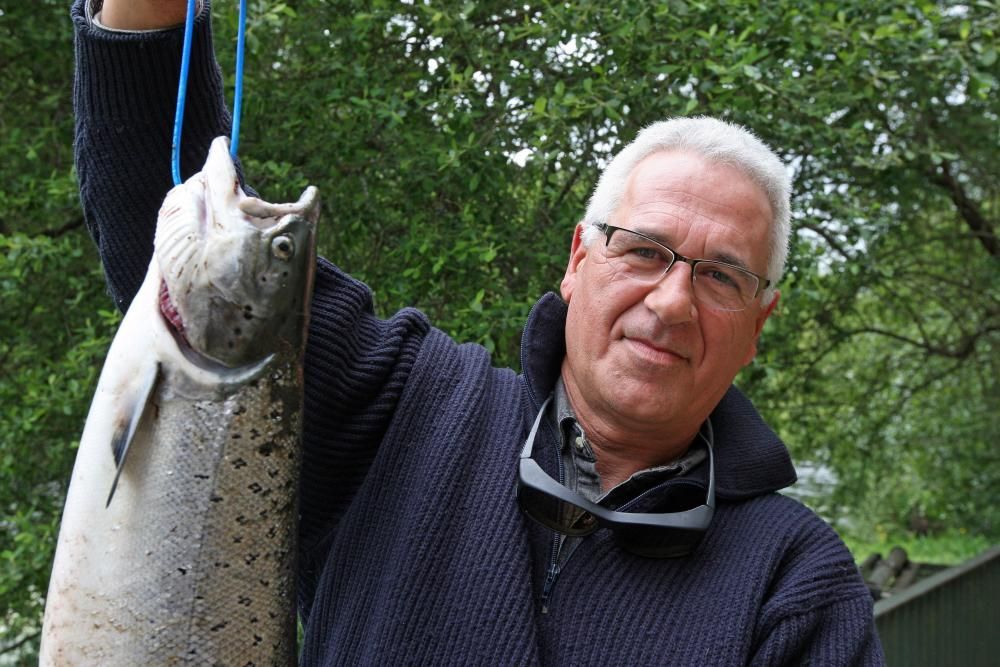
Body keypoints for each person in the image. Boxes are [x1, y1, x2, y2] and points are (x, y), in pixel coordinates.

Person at [70, 1, 884, 664]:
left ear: (758, 324)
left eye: (721, 276)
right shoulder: (404, 404)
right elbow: (180, 231)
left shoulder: (798, 584)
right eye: (643, 250)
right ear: (577, 260)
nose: (672, 302)